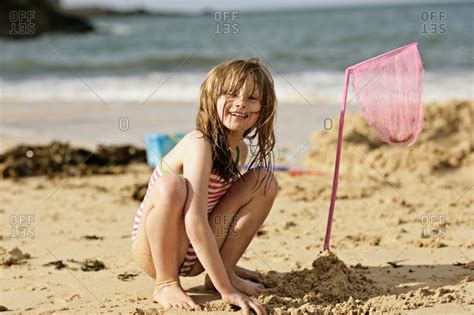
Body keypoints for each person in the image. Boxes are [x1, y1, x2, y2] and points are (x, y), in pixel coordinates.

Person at [131, 58, 278, 314]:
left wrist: (221, 274)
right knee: (172, 186)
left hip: (197, 252)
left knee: (264, 181)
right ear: (211, 98)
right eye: (231, 93)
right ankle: (166, 283)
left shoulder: (239, 150)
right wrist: (227, 292)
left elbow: (222, 209)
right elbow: (195, 219)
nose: (241, 102)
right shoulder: (199, 143)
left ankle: (224, 269)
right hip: (158, 251)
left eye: (252, 98)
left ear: (263, 109)